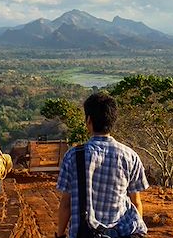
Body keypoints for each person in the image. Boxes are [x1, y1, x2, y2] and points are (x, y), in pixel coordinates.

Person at [55, 92, 149, 238]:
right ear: (113, 120)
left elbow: (66, 204)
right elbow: (136, 203)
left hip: (84, 233)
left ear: (88, 120)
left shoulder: (73, 156)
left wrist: (59, 234)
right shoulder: (130, 156)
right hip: (122, 233)